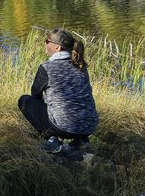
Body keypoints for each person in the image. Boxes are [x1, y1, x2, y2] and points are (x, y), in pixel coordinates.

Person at [18, 28, 99, 156]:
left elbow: (35, 95)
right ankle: (81, 141)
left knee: (25, 101)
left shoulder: (46, 68)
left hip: (63, 127)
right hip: (89, 126)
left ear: (57, 48)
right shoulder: (81, 66)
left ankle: (53, 141)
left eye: (47, 41)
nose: (45, 43)